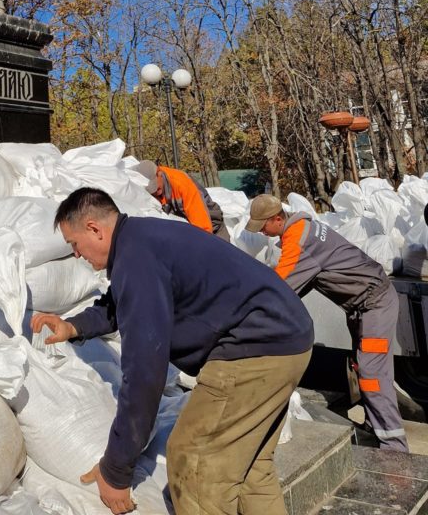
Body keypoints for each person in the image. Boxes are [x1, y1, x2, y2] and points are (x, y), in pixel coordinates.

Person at [31, 187, 313, 515]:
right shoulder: (141, 240)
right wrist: (73, 326)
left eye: (74, 244)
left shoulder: (136, 259)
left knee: (192, 461)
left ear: (94, 229)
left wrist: (116, 470)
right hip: (288, 339)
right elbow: (120, 303)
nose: (76, 255)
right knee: (251, 469)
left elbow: (144, 375)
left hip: (254, 350)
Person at [247, 194, 408, 452]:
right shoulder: (303, 229)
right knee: (362, 366)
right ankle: (374, 427)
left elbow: (279, 289)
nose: (263, 232)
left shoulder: (299, 241)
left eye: (263, 225)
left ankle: (394, 449)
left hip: (374, 304)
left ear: (278, 218)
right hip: (362, 305)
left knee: (373, 375)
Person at [137, 160, 229, 240]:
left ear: (159, 173)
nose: (155, 191)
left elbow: (204, 228)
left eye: (156, 187)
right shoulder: (145, 192)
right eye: (151, 190)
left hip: (213, 227)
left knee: (222, 257)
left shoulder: (182, 184)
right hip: (188, 231)